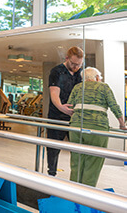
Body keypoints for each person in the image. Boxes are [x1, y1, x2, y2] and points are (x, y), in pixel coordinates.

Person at [67, 67, 127, 186]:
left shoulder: (77, 87)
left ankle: (73, 190)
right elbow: (114, 106)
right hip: (97, 127)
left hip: (76, 126)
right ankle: (87, 192)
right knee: (94, 160)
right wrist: (122, 124)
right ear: (97, 78)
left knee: (76, 160)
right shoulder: (103, 87)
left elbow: (70, 106)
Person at [47, 46, 84, 176]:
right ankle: (52, 174)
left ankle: (77, 178)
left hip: (75, 118)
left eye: (78, 64)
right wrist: (61, 107)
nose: (75, 67)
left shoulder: (81, 73)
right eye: (73, 63)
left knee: (77, 149)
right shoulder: (57, 71)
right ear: (67, 58)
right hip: (57, 115)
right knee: (53, 148)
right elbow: (54, 93)